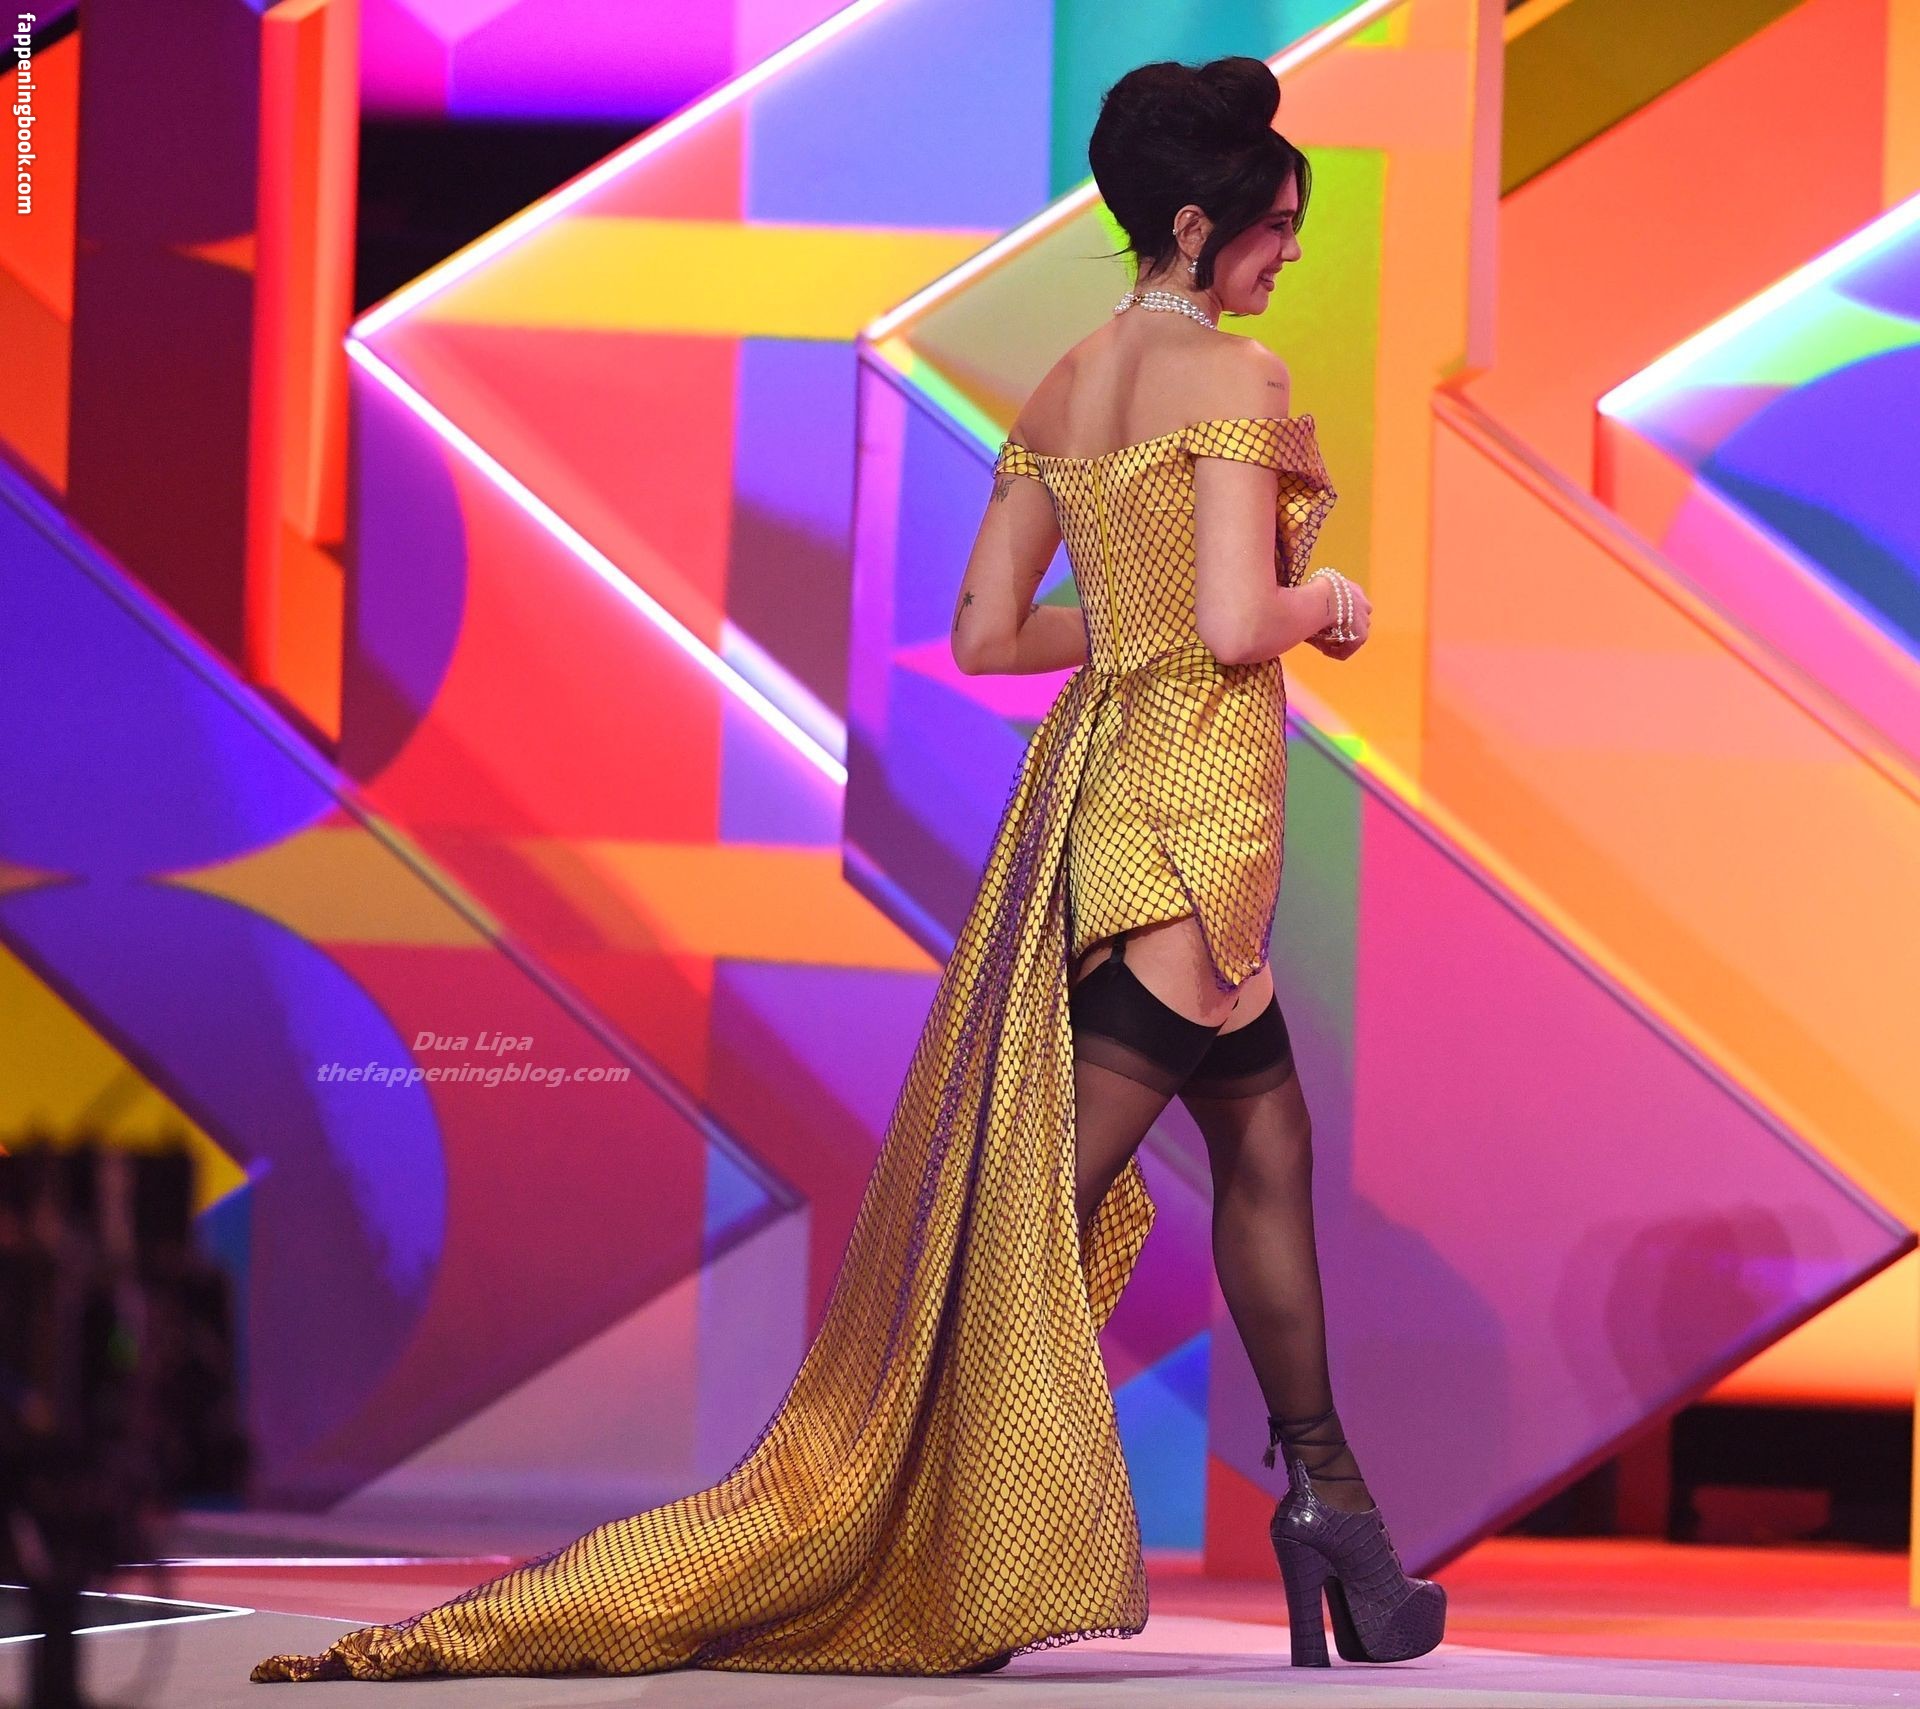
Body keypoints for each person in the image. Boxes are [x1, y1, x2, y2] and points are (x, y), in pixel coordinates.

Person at [249, 54, 1442, 1685]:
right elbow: (1241, 622)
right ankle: (871, 1506)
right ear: (1194, 224)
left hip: (1110, 807)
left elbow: (989, 633)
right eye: (1275, 227)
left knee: (1264, 1142)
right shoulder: (1232, 377)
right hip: (1190, 823)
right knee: (1028, 1213)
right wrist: (1331, 604)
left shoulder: (1064, 385)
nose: (1289, 254)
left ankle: (1337, 1515)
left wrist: (1145, 614)